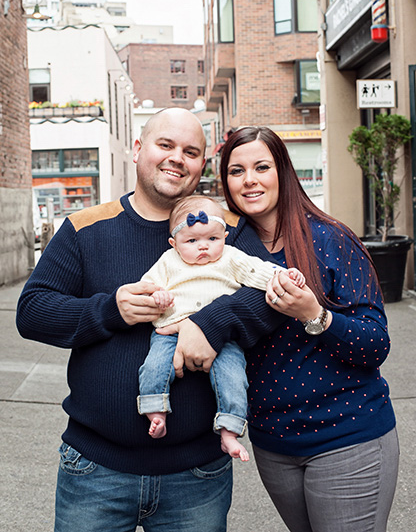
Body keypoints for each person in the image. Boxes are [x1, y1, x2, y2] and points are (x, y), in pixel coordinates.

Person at [15, 109, 285, 532]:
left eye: (191, 151)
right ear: (138, 149)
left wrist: (209, 324)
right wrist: (108, 310)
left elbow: (271, 296)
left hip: (197, 475)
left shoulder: (227, 229)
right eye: (166, 145)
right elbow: (32, 311)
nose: (177, 158)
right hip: (94, 470)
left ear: (202, 164)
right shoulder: (84, 228)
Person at [161, 125, 399, 532]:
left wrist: (315, 315)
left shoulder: (330, 239)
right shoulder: (225, 250)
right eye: (236, 171)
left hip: (347, 436)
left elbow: (374, 344)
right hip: (275, 444)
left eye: (261, 167)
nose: (249, 180)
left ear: (282, 171)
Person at [137, 194, 305, 461]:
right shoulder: (168, 261)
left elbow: (256, 271)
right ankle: (155, 408)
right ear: (174, 243)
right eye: (192, 241)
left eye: (212, 239)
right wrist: (158, 297)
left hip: (222, 336)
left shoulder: (230, 257)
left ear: (225, 236)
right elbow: (147, 287)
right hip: (170, 329)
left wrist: (282, 275)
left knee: (234, 377)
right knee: (154, 365)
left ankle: (229, 430)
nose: (203, 247)